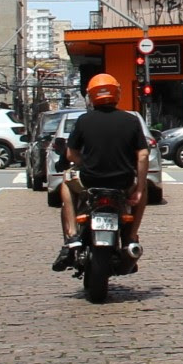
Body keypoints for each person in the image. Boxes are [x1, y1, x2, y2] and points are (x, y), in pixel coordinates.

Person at [53, 73, 151, 270]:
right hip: (122, 182)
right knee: (146, 190)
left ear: (91, 96)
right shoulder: (131, 121)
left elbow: (71, 155)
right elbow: (142, 155)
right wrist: (139, 188)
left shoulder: (83, 121)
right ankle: (131, 236)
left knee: (65, 181)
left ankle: (72, 235)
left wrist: (86, 162)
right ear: (117, 94)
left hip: (90, 180)